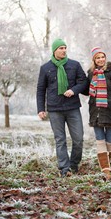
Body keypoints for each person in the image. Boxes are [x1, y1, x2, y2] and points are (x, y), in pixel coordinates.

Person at [36, 38, 89, 177]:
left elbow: (84, 82)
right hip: (54, 110)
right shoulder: (45, 68)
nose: (64, 50)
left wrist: (74, 90)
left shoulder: (75, 65)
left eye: (65, 48)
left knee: (78, 139)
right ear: (54, 50)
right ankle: (64, 169)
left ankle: (73, 165)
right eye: (61, 48)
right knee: (60, 140)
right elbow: (41, 90)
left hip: (72, 108)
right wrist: (41, 109)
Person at [87, 47, 111, 180]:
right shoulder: (91, 73)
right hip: (95, 110)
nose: (100, 59)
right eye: (97, 57)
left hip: (110, 110)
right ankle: (106, 170)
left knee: (109, 140)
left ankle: (106, 163)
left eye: (102, 57)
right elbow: (87, 89)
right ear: (94, 60)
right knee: (99, 140)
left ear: (105, 57)